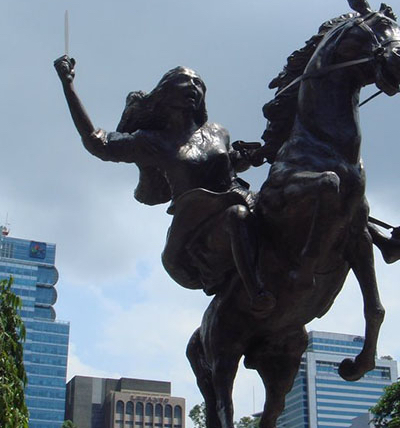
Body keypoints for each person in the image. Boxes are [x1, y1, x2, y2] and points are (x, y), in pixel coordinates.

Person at [54, 56, 276, 314]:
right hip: (194, 221)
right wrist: (68, 86)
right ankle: (256, 293)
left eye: (199, 83)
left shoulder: (218, 131)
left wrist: (249, 157)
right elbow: (96, 143)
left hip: (235, 197)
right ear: (166, 91)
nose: (193, 86)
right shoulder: (152, 141)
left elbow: (229, 164)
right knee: (236, 216)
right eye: (185, 81)